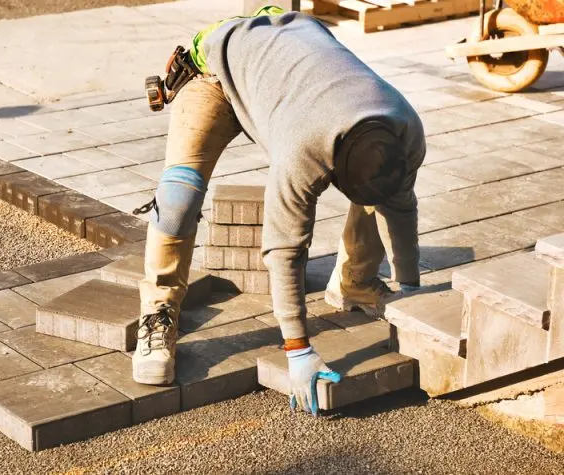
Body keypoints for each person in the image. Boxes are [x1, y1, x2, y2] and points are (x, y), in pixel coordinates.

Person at [131, 6, 425, 416]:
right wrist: (298, 350)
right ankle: (158, 312)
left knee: (381, 193)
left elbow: (401, 207)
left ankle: (355, 283)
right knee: (180, 196)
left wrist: (412, 295)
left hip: (291, 71)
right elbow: (284, 251)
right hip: (215, 71)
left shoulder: (404, 128)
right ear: (329, 168)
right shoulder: (304, 147)